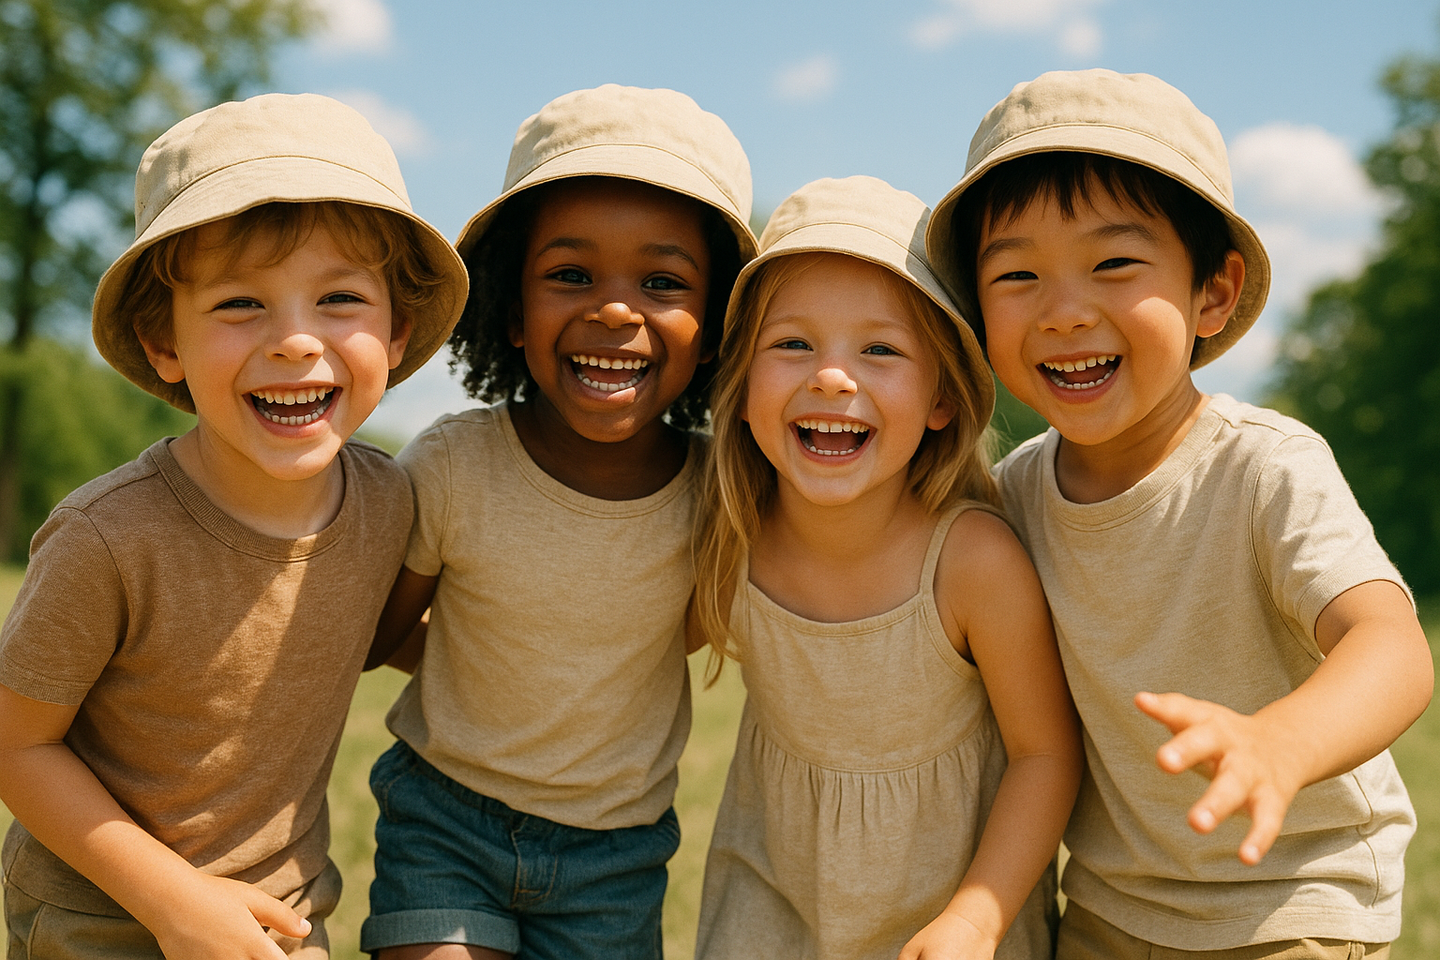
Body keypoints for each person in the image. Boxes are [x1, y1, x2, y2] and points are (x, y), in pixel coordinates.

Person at [926, 68, 1433, 959]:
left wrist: (1281, 741)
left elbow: (1390, 646)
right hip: (1112, 909)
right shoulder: (1013, 494)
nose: (1064, 311)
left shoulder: (1262, 467)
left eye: (1114, 263)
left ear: (1214, 292)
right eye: (1017, 275)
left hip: (1290, 901)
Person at [0, 92, 468, 960]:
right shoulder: (109, 538)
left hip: (285, 923)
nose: (295, 341)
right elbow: (16, 746)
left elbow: (376, 636)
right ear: (163, 343)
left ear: (397, 332)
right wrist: (177, 904)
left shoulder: (387, 504)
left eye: (338, 300)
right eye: (239, 305)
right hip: (101, 923)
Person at [360, 84, 756, 960]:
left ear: (721, 325)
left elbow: (675, 634)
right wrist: (486, 655)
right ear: (508, 305)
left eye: (662, 281)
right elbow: (375, 634)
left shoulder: (714, 492)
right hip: (444, 824)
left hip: (614, 856)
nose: (615, 310)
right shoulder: (455, 465)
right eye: (570, 274)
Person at [689, 175, 1082, 960]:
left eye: (879, 350)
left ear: (942, 397)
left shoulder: (971, 563)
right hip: (768, 910)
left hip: (952, 922)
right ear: (740, 386)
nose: (833, 376)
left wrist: (976, 919)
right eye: (793, 344)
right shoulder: (731, 531)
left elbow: (1046, 756)